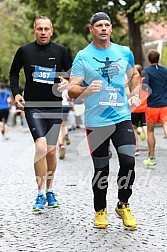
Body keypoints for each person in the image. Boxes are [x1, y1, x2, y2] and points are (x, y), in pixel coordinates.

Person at [67, 12, 141, 229]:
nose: (104, 28)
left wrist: (135, 93)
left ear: (111, 28)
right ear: (91, 29)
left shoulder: (124, 52)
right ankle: (100, 210)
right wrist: (86, 89)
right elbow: (72, 91)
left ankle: (123, 204)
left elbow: (134, 75)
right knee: (102, 169)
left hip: (122, 117)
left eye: (107, 25)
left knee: (128, 161)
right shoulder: (83, 56)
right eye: (99, 25)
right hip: (96, 122)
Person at [10, 16, 72, 211]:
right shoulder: (24, 51)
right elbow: (13, 73)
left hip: (54, 106)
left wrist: (68, 82)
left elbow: (72, 73)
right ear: (34, 31)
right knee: (41, 146)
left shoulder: (61, 51)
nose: (43, 32)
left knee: (52, 152)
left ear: (52, 31)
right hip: (33, 106)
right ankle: (39, 194)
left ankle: (50, 190)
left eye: (46, 29)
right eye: (39, 29)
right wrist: (17, 93)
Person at [142, 49, 167, 166]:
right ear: (159, 58)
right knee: (166, 126)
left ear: (149, 59)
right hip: (165, 104)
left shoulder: (146, 71)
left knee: (150, 131)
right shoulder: (165, 71)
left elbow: (145, 87)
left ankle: (152, 158)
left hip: (152, 105)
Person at [130, 64, 148, 156]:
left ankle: (136, 148)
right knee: (145, 126)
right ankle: (150, 146)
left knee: (133, 128)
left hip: (134, 109)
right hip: (144, 108)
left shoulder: (131, 81)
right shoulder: (145, 82)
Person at [58, 89, 72, 159]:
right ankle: (66, 134)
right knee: (64, 125)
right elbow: (69, 97)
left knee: (59, 127)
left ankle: (61, 145)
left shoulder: (55, 84)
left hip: (59, 105)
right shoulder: (66, 85)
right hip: (66, 106)